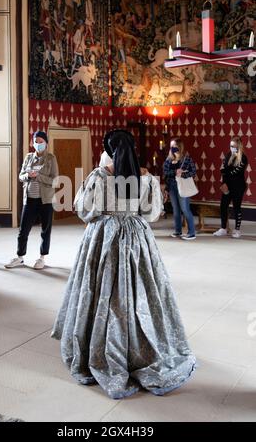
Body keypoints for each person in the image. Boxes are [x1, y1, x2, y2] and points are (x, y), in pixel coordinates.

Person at [51, 129, 196, 399]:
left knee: (101, 290)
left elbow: (83, 209)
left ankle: (99, 343)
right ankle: (143, 345)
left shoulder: (98, 176)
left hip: (103, 237)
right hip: (136, 236)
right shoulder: (145, 177)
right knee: (141, 289)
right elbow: (152, 213)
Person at [5, 131, 58, 270]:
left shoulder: (51, 158)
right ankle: (20, 257)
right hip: (29, 199)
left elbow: (55, 181)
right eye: (36, 141)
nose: (38, 144)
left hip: (45, 200)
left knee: (45, 230)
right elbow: (21, 176)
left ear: (46, 143)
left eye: (41, 141)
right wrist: (28, 175)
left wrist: (38, 176)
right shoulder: (28, 157)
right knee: (23, 230)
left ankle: (42, 258)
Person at [213, 136, 248, 239]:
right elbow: (222, 169)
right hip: (227, 185)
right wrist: (224, 184)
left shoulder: (243, 158)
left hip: (238, 186)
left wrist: (225, 172)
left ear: (239, 146)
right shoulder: (228, 155)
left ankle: (237, 230)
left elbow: (235, 172)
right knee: (223, 206)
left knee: (237, 207)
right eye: (230, 146)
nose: (232, 148)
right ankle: (223, 228)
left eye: (234, 146)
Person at [163, 138, 197, 240]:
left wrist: (183, 174)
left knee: (185, 209)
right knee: (176, 210)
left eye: (174, 146)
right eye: (171, 146)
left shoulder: (186, 159)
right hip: (172, 187)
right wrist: (174, 172)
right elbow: (166, 173)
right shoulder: (168, 160)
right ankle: (178, 231)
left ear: (180, 147)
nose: (172, 148)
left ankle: (191, 233)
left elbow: (193, 172)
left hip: (183, 186)